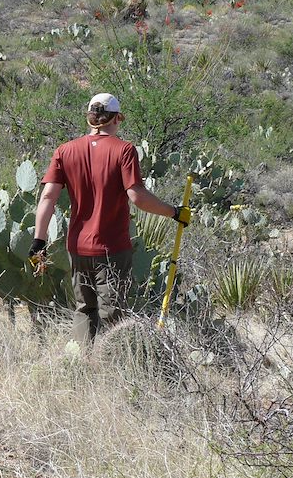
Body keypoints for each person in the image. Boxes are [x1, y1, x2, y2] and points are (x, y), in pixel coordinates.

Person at [30, 93, 191, 347]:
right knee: (113, 313)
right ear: (116, 119)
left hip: (78, 247)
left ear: (90, 119)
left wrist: (39, 241)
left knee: (84, 309)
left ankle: (82, 366)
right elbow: (137, 197)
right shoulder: (124, 150)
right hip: (111, 248)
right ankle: (113, 367)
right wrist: (174, 212)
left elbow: (48, 196)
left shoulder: (65, 151)